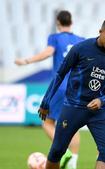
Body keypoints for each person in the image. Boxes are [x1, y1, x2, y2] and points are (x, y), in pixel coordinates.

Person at [38, 18, 105, 169]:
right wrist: (46, 101)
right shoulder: (80, 48)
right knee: (57, 151)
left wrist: (102, 100)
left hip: (100, 110)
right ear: (100, 32)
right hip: (73, 107)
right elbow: (60, 74)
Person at [15, 10, 84, 169]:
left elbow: (48, 52)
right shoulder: (81, 40)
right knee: (72, 125)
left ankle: (63, 150)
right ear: (71, 22)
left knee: (47, 123)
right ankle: (72, 163)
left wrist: (26, 61)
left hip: (60, 87)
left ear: (58, 23)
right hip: (77, 88)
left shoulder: (55, 38)